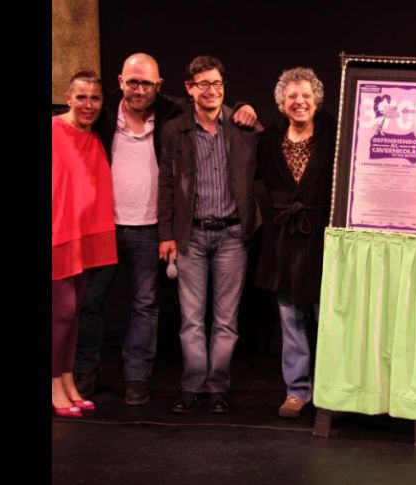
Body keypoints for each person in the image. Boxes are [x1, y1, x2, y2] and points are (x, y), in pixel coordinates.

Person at [73, 53, 257, 406]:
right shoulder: (106, 114)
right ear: (120, 82)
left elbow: (213, 103)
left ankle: (140, 379)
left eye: (147, 83)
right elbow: (75, 115)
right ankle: (85, 370)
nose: (139, 89)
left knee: (147, 305)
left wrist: (244, 106)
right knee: (91, 302)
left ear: (159, 86)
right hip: (105, 225)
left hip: (154, 228)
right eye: (132, 82)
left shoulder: (172, 115)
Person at [158, 55, 261, 414]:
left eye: (217, 84)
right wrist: (166, 233)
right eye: (203, 84)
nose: (211, 90)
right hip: (191, 237)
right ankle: (193, 387)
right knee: (190, 319)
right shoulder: (175, 131)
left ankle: (218, 387)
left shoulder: (241, 125)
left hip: (232, 235)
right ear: (189, 89)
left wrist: (246, 109)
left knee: (226, 320)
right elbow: (168, 184)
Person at [255, 67, 335, 418]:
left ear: (316, 100)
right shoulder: (268, 140)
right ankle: (297, 391)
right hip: (284, 239)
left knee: (328, 319)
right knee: (291, 319)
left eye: (305, 95)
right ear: (281, 103)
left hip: (322, 237)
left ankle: (331, 389)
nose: (299, 102)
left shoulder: (334, 133)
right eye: (292, 96)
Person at [52, 69, 118, 417]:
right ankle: (52, 384)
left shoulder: (95, 137)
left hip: (83, 237)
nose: (88, 104)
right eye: (81, 97)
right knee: (60, 312)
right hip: (57, 237)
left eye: (94, 97)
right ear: (68, 97)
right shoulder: (53, 130)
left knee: (74, 313)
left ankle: (67, 380)